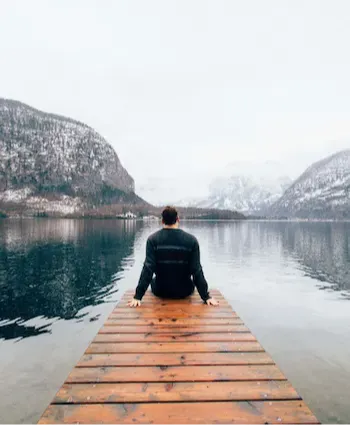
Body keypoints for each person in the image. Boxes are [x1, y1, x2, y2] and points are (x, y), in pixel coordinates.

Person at [129, 206, 219, 307]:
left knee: (154, 279)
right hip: (185, 291)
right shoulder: (192, 241)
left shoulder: (152, 240)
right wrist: (206, 296)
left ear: (162, 221)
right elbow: (196, 270)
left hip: (160, 290)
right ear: (177, 219)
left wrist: (138, 296)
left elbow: (148, 269)